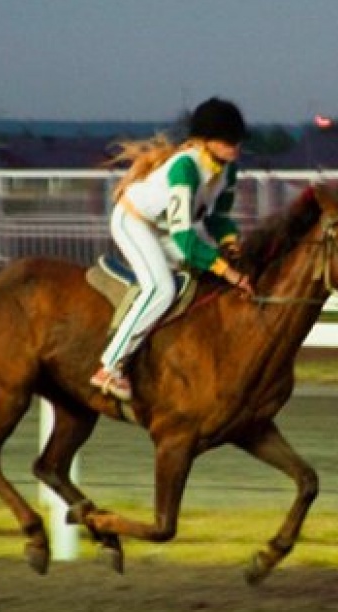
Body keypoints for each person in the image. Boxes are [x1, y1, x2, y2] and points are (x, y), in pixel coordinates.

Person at [91, 97, 255, 401]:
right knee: (162, 288)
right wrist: (228, 271)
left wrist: (229, 243)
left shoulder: (229, 171)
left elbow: (218, 218)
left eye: (238, 140)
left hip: (168, 230)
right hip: (135, 223)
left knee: (204, 280)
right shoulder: (185, 168)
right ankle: (110, 367)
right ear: (206, 141)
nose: (236, 147)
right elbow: (184, 239)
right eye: (228, 140)